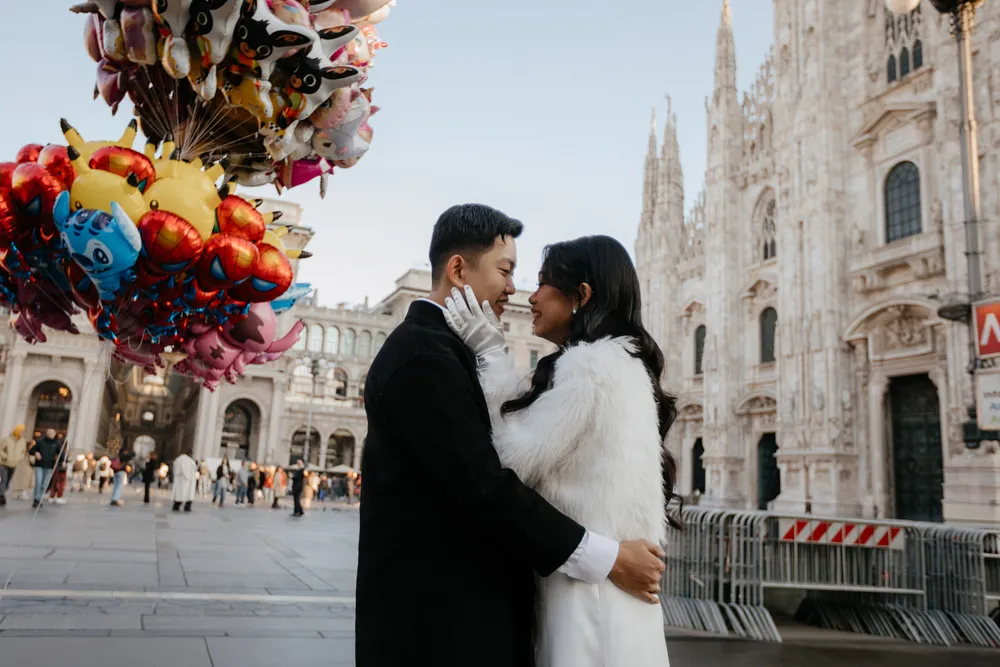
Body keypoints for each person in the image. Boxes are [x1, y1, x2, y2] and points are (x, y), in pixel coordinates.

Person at [356, 205, 666, 667]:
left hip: (469, 620)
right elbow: (488, 485)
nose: (515, 290)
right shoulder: (423, 355)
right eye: (507, 271)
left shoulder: (449, 350)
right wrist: (607, 557)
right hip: (436, 630)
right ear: (459, 269)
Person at [444, 235, 679, 666]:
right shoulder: (622, 365)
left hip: (589, 598)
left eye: (541, 283)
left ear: (580, 296)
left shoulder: (591, 366)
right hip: (606, 588)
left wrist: (492, 357)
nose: (530, 297)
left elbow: (513, 460)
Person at [28, 429, 61, 509]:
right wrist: (36, 453)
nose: (51, 434)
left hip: (49, 466)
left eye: (52, 433)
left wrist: (62, 461)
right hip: (39, 465)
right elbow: (31, 450)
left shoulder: (56, 443)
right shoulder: (40, 441)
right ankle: (36, 499)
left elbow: (60, 454)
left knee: (45, 484)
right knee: (38, 482)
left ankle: (40, 498)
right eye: (49, 433)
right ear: (46, 433)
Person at [0, 424, 27, 507]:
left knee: (8, 482)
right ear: (17, 431)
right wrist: (5, 456)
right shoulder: (6, 440)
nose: (23, 433)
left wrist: (20, 457)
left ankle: (2, 493)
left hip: (14, 464)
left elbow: (23, 451)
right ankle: (1, 497)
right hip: (3, 463)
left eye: (24, 431)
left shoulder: (23, 441)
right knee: (3, 480)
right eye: (21, 431)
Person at [110, 442, 133, 507]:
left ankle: (113, 498)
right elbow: (133, 454)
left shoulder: (117, 456)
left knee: (115, 486)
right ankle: (115, 499)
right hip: (121, 472)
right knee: (119, 486)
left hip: (116, 472)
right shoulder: (124, 457)